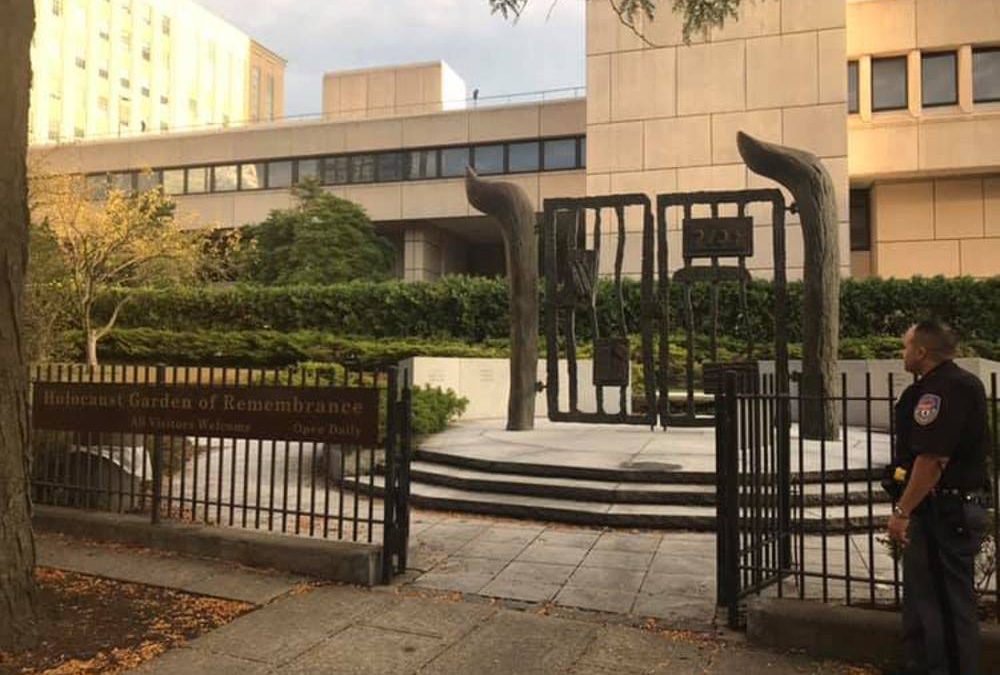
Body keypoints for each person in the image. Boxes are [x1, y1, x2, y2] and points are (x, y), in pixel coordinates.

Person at [888, 320, 991, 675]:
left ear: (921, 352)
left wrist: (902, 510)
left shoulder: (943, 390)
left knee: (946, 607)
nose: (903, 353)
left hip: (947, 510)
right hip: (943, 508)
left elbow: (932, 458)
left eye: (906, 346)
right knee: (924, 602)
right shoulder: (950, 385)